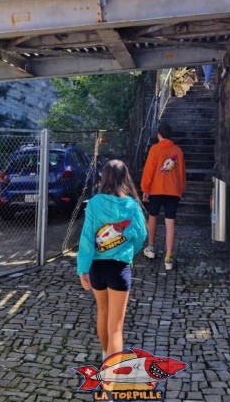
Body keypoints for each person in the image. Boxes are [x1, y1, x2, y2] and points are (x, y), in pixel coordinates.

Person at [77, 159, 147, 360]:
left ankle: (105, 354)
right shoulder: (132, 205)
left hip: (96, 268)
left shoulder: (95, 203)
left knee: (102, 313)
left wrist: (83, 269)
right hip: (119, 268)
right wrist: (127, 251)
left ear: (104, 177)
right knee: (116, 327)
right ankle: (112, 375)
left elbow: (87, 239)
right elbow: (141, 235)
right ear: (125, 177)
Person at [140, 123, 186, 271]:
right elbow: (181, 172)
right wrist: (181, 189)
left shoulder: (155, 149)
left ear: (159, 135)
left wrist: (145, 188)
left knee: (152, 217)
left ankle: (151, 248)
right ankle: (169, 257)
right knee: (170, 223)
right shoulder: (177, 151)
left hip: (156, 189)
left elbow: (149, 170)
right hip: (173, 191)